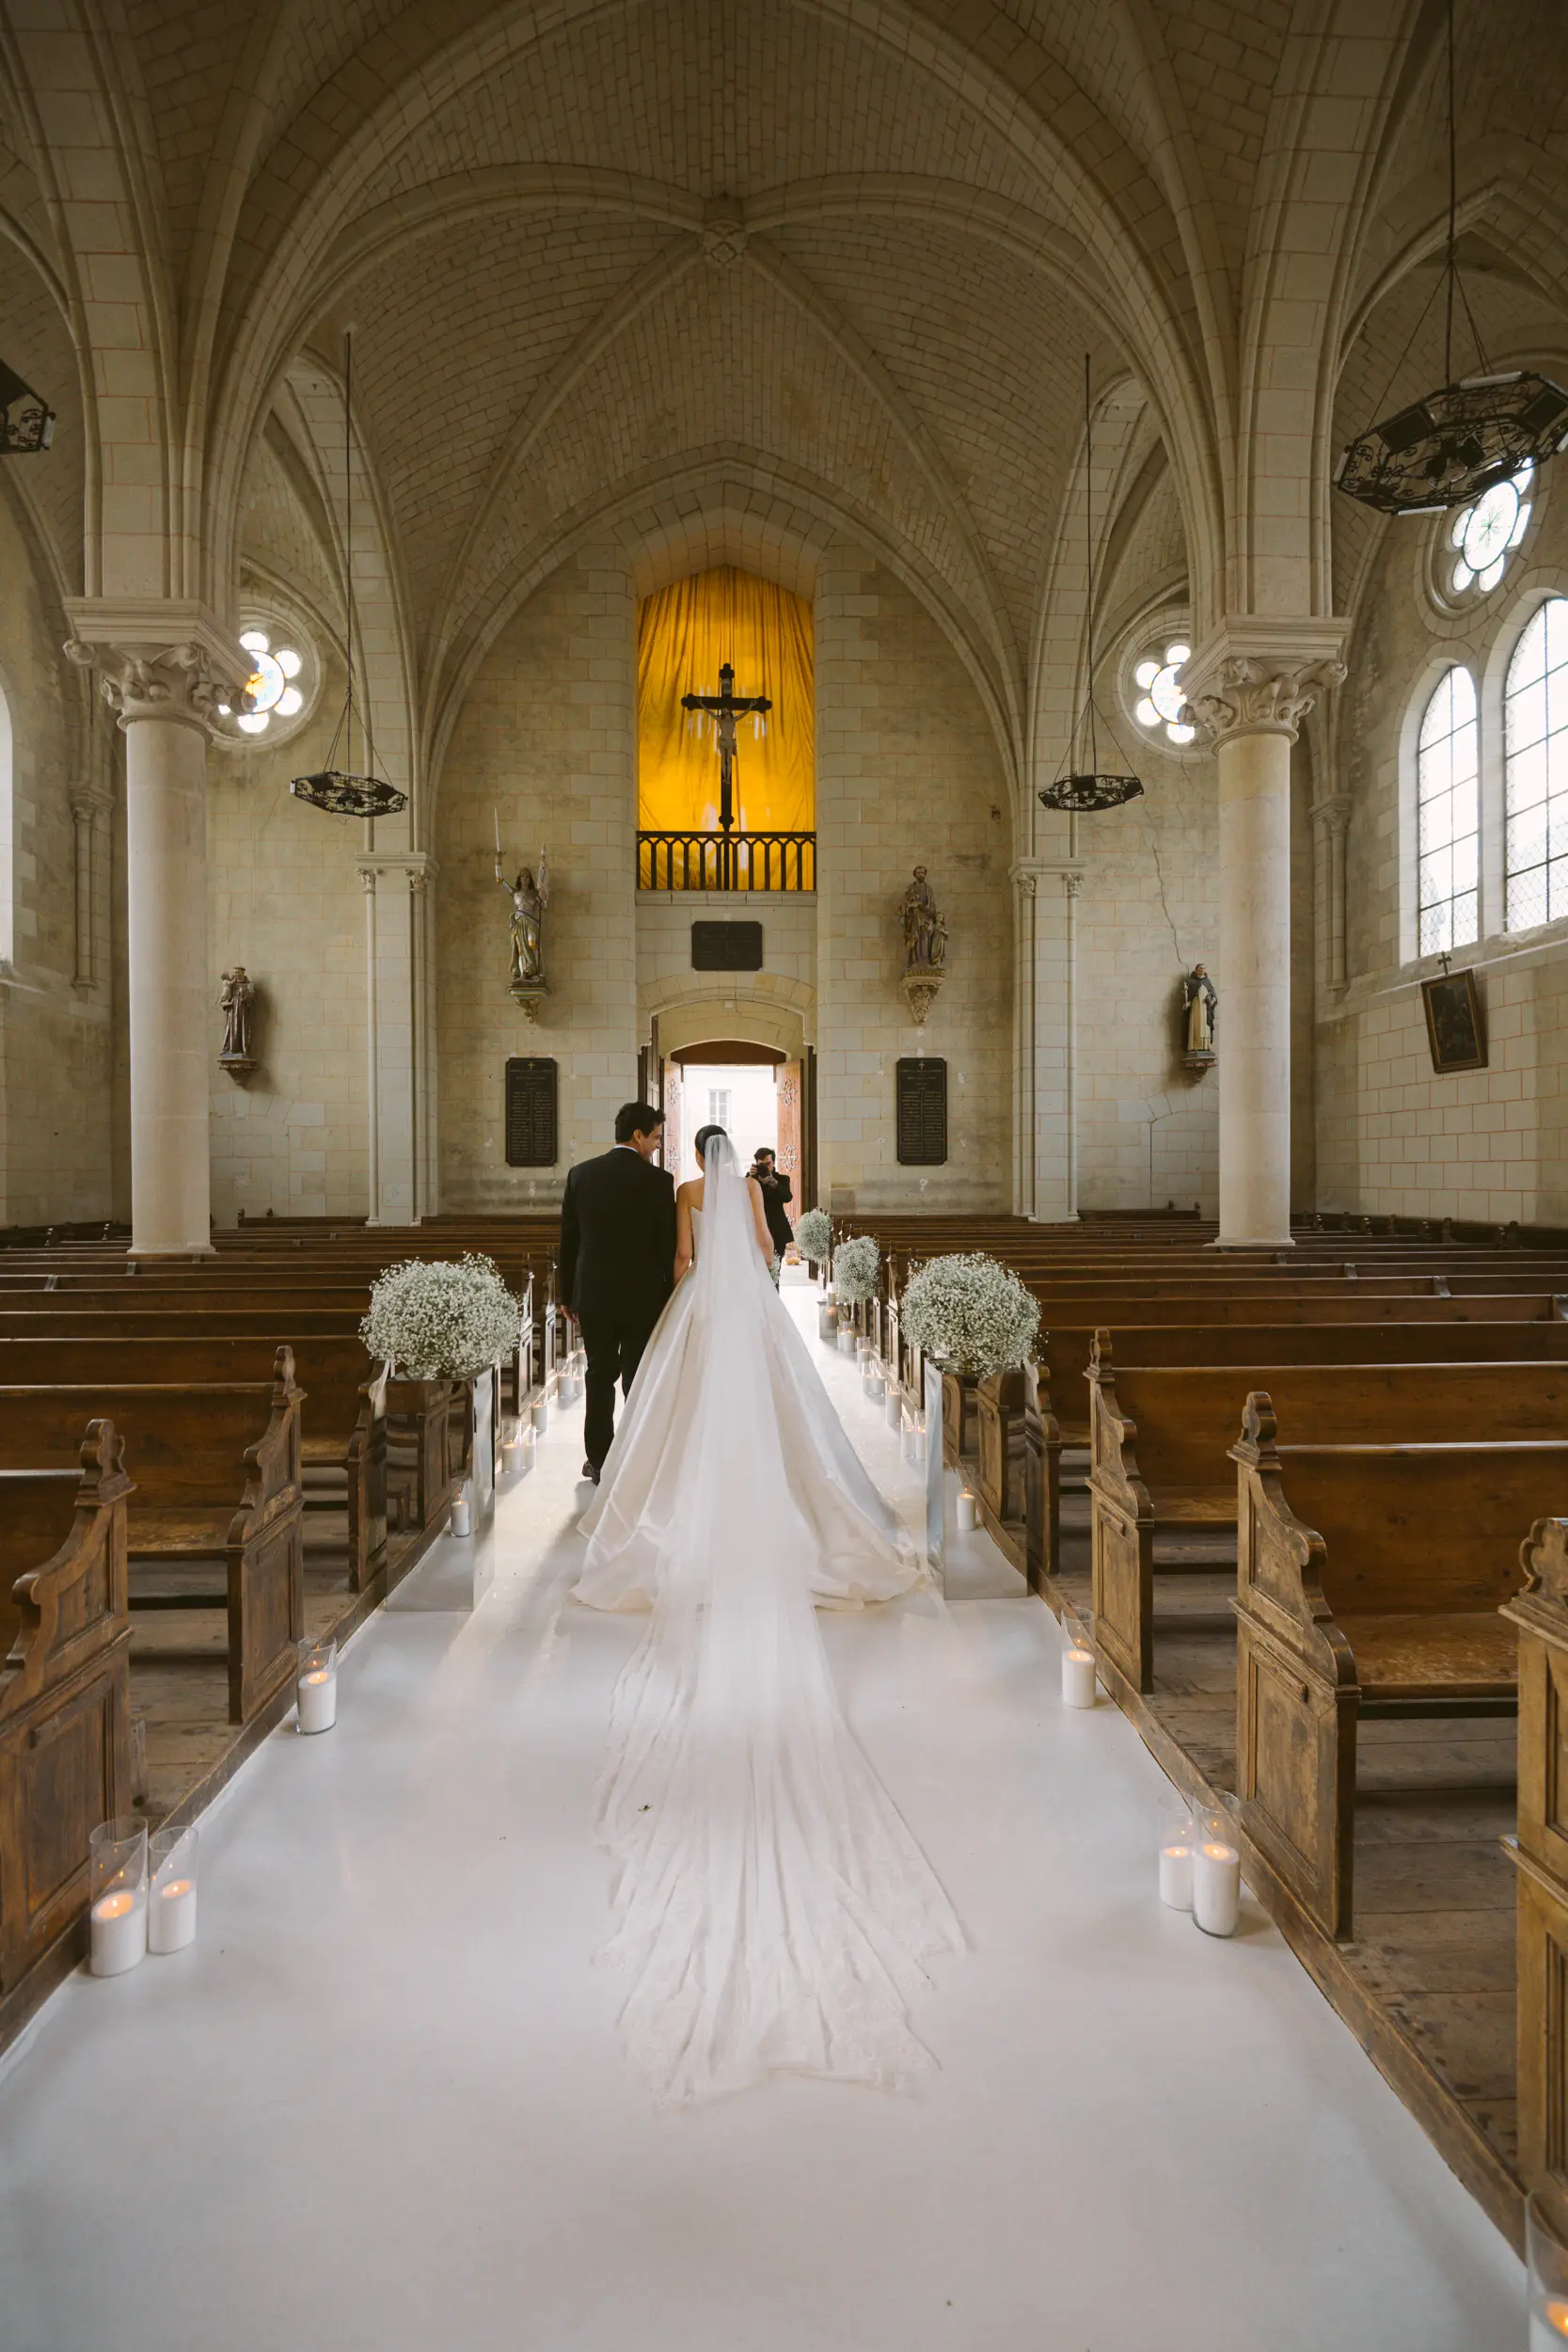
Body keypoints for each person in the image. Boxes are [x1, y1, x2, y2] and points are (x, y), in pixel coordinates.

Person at [573, 1124, 960, 2105]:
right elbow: (772, 1246)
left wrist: (693, 1280)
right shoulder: (739, 1193)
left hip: (703, 1316)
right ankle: (789, 1514)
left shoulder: (684, 1199)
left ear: (683, 1154)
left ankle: (670, 1509)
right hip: (753, 1320)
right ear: (730, 1152)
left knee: (679, 1420)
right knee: (795, 1434)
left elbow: (683, 1265)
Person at [558, 1102, 675, 1484]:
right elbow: (666, 1245)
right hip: (643, 1297)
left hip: (593, 1296)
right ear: (638, 1135)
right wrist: (670, 1293)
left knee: (599, 1374)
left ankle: (600, 1461)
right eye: (655, 1137)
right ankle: (638, 1456)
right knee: (638, 1377)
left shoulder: (581, 1175)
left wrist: (566, 1295)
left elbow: (569, 1241)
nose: (657, 1145)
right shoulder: (659, 1182)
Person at [750, 1145, 794, 1272]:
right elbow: (743, 1198)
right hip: (756, 1229)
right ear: (756, 1165)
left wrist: (774, 1184)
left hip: (777, 1230)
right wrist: (753, 1180)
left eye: (768, 1164)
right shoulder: (751, 1179)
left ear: (774, 1163)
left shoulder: (782, 1179)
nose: (766, 1167)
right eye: (761, 1165)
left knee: (775, 1269)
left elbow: (788, 1197)